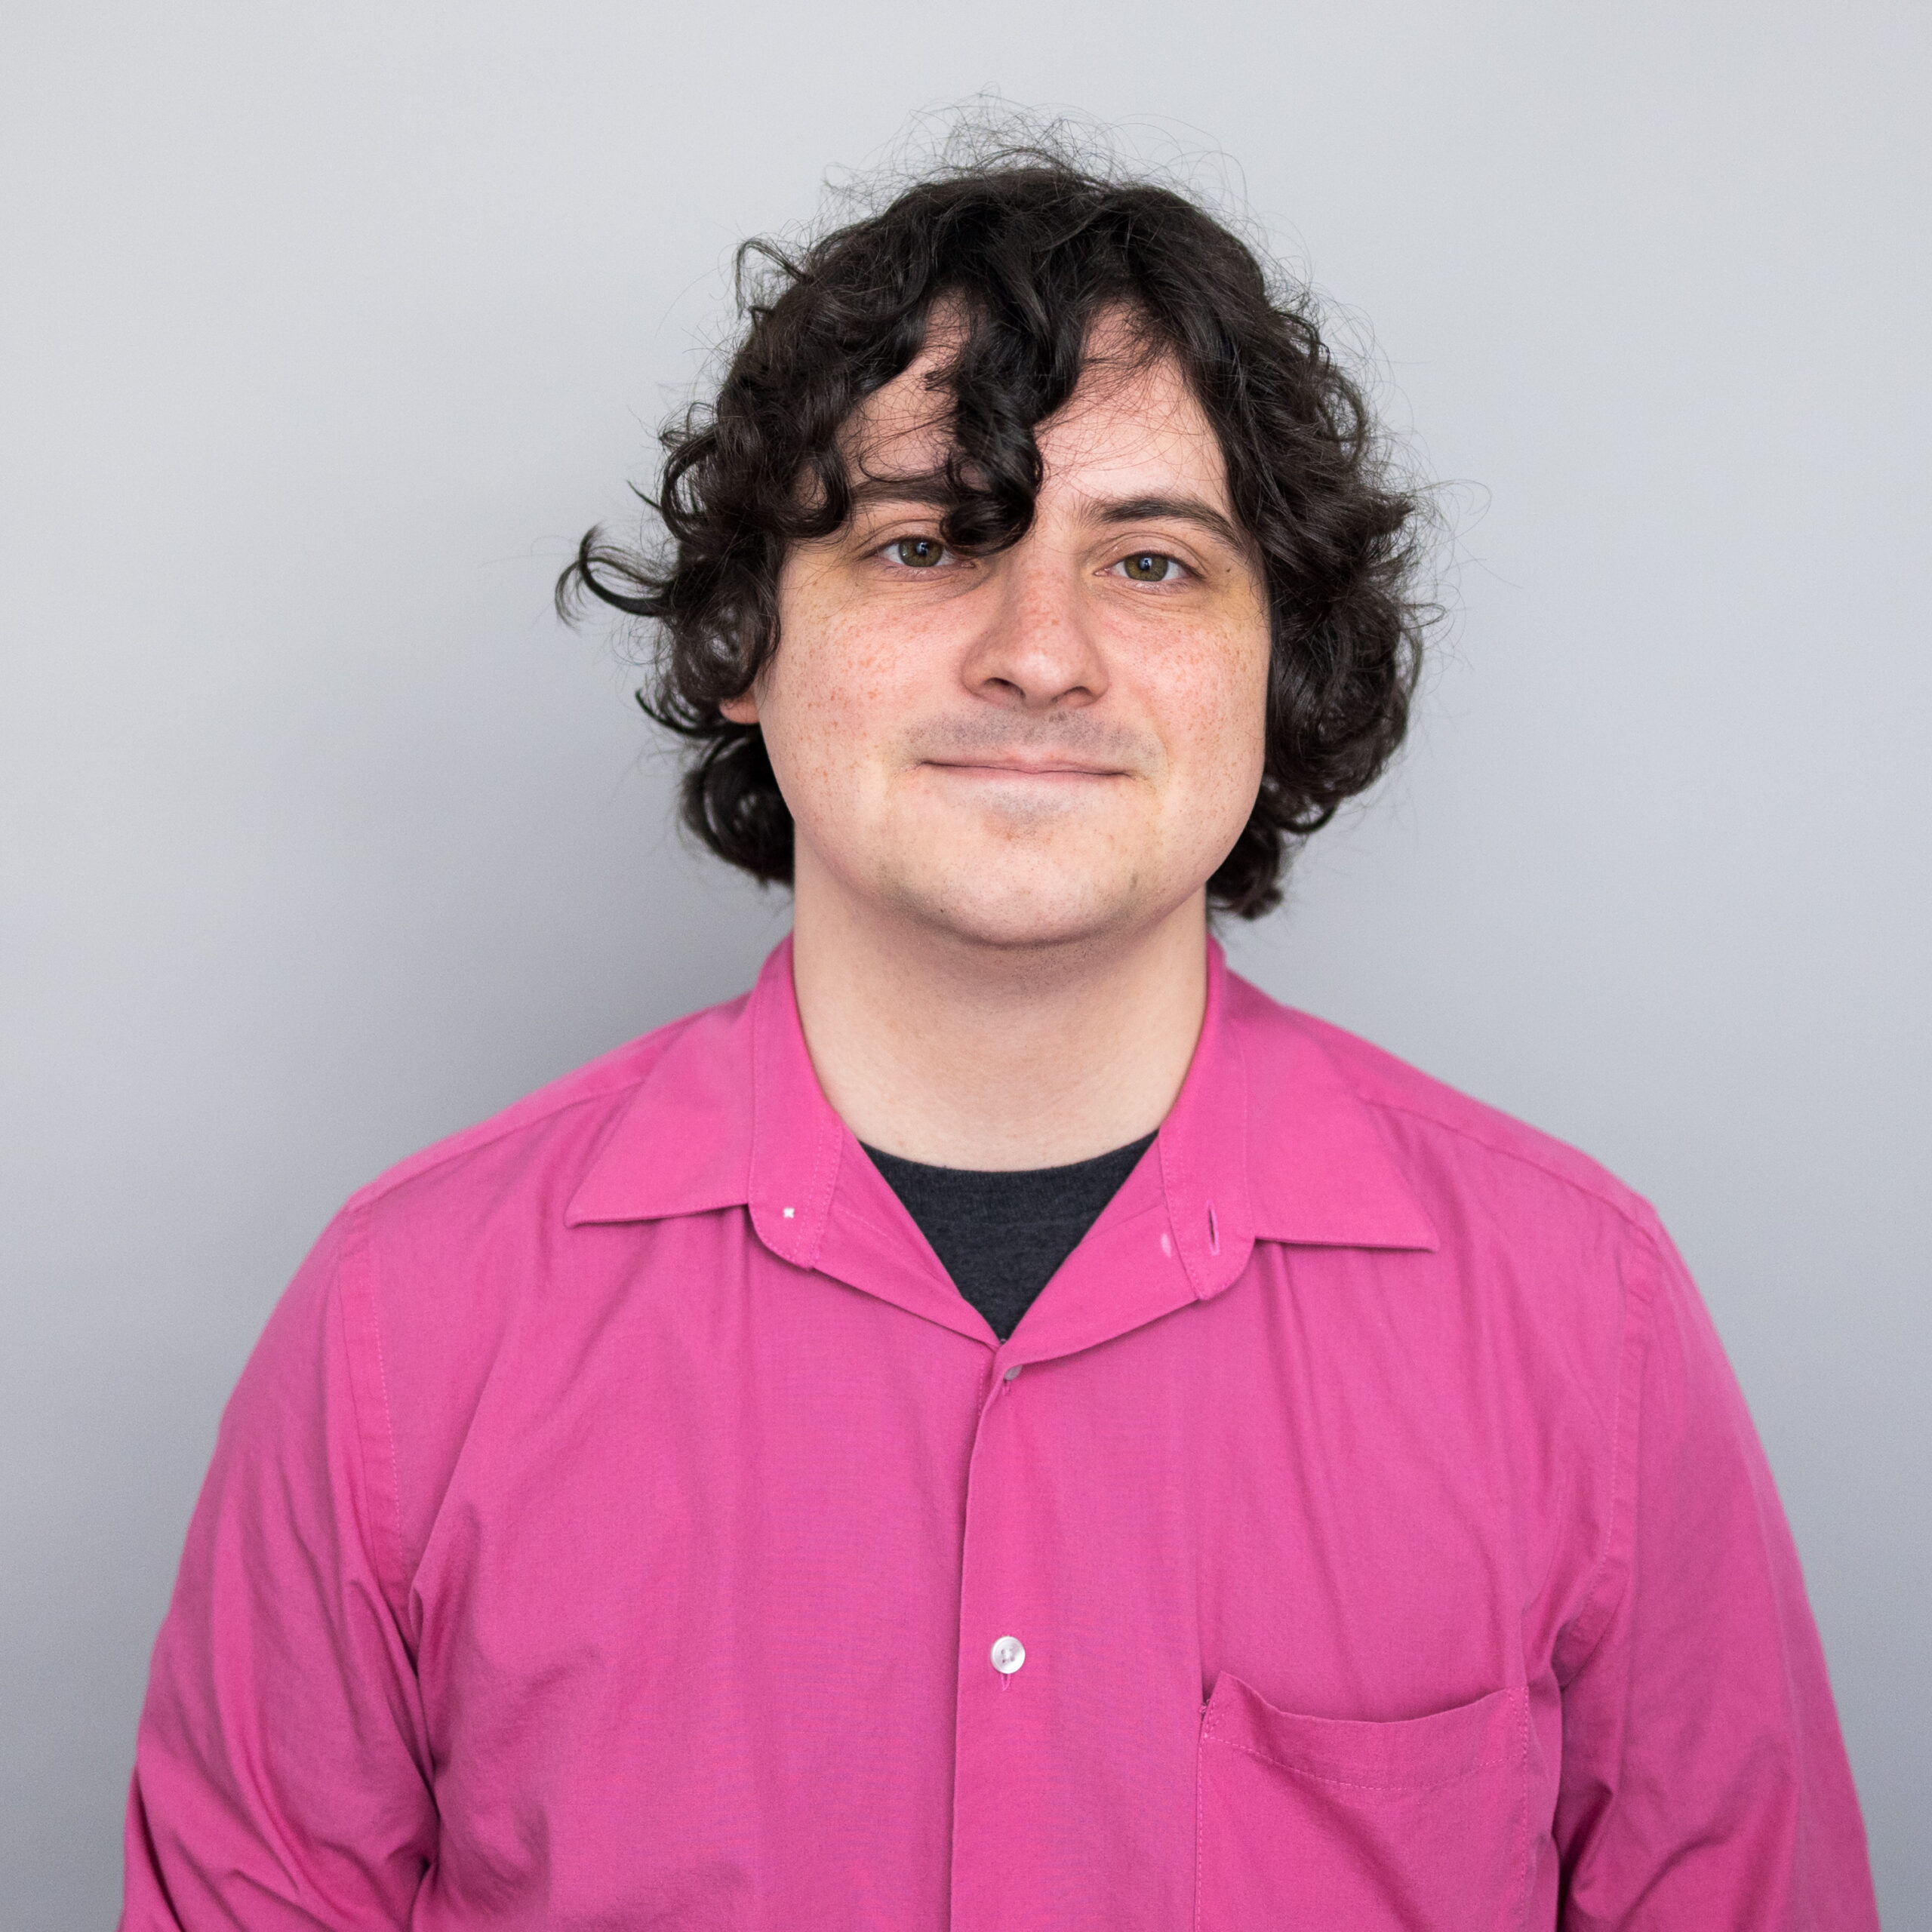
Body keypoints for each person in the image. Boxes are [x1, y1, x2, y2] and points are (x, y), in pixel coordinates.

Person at [122, 142, 1878, 1930]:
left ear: (1278, 668)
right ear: (741, 639)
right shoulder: (401, 1330)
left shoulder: (1577, 1316)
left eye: (1151, 562)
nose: (1040, 652)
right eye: (921, 542)